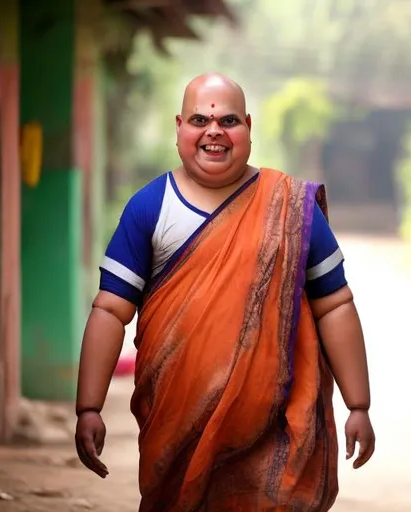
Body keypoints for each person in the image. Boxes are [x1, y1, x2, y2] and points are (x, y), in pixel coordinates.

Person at [75, 73, 375, 511]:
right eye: (200, 119)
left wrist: (359, 405)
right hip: (176, 434)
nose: (214, 131)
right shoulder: (150, 207)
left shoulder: (289, 207)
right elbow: (109, 310)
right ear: (179, 127)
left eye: (228, 120)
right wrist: (89, 406)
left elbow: (336, 306)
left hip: (274, 433)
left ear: (249, 127)